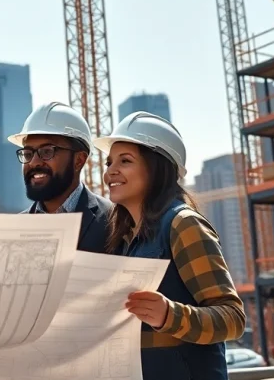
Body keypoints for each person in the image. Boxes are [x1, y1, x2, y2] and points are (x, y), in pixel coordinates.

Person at [94, 111, 245, 379]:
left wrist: (169, 315)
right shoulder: (124, 239)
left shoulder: (183, 225)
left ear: (157, 168)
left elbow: (232, 318)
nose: (110, 172)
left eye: (125, 161)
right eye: (109, 163)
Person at [8, 102, 114, 253]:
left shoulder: (113, 221)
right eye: (28, 153)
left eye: (47, 151)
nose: (34, 162)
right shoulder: (13, 230)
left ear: (79, 160)